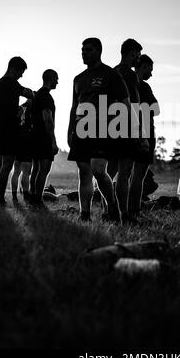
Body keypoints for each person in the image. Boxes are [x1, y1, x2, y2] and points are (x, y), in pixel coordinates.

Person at [67, 37, 129, 222]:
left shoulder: (111, 75)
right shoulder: (78, 79)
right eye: (83, 49)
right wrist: (70, 130)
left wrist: (126, 129)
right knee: (84, 171)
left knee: (98, 170)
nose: (84, 52)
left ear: (98, 51)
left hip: (103, 128)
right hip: (81, 128)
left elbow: (125, 104)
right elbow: (73, 107)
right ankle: (84, 214)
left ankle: (112, 204)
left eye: (88, 49)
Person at [107, 38, 147, 221]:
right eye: (137, 55)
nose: (138, 58)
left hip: (108, 128)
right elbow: (134, 105)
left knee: (109, 172)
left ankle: (109, 211)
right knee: (124, 173)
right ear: (131, 53)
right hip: (126, 128)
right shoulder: (130, 75)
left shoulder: (111, 72)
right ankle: (124, 214)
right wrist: (140, 133)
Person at [0, 57, 34, 205]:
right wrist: (34, 94)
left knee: (3, 164)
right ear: (13, 69)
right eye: (21, 72)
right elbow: (28, 93)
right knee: (7, 164)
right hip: (9, 129)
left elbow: (4, 107)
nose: (21, 75)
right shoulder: (10, 83)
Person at [127, 54, 160, 215]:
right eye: (150, 70)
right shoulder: (144, 87)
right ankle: (134, 209)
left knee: (125, 174)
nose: (151, 74)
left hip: (126, 132)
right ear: (144, 67)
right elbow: (156, 109)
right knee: (138, 176)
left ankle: (123, 208)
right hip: (145, 133)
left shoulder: (125, 83)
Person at [30, 70, 59, 205]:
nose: (57, 82)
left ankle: (33, 196)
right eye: (56, 79)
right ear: (50, 79)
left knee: (36, 168)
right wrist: (53, 141)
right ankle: (37, 199)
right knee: (44, 169)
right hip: (43, 137)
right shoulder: (46, 97)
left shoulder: (36, 96)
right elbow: (48, 119)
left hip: (35, 136)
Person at [11, 99, 34, 202]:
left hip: (16, 141)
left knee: (16, 171)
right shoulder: (32, 109)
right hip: (27, 141)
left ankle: (14, 195)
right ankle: (25, 194)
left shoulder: (19, 108)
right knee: (26, 170)